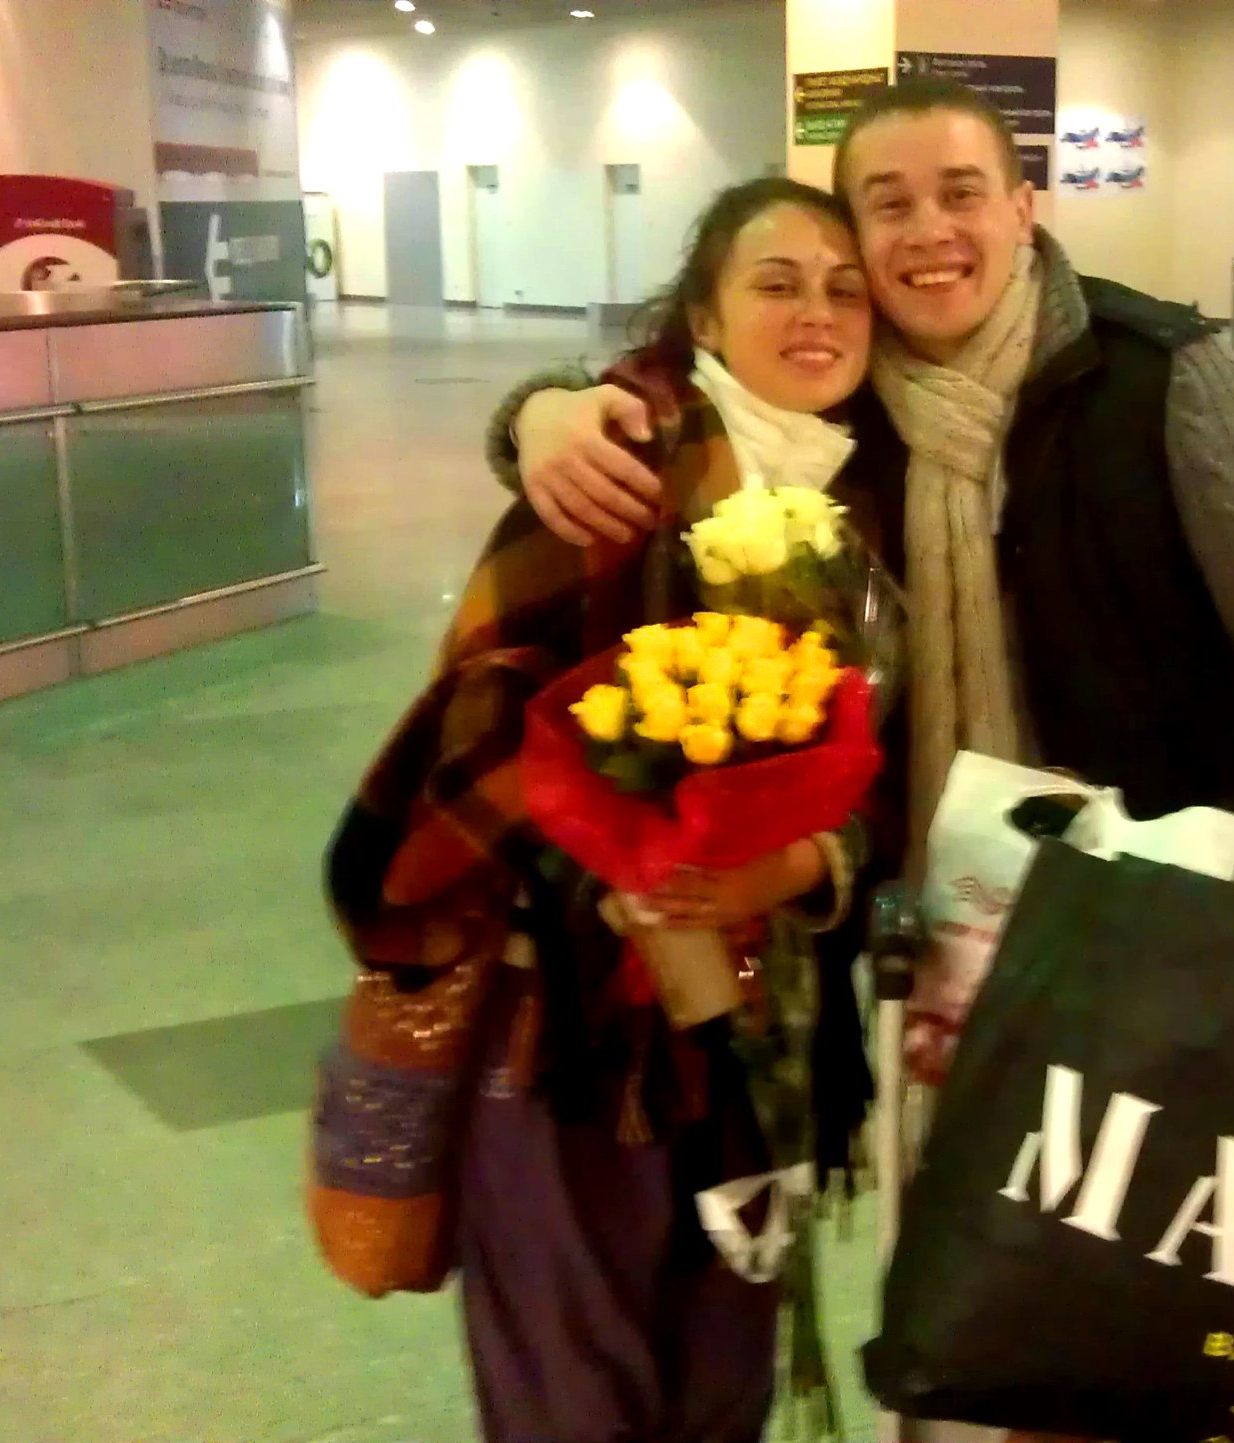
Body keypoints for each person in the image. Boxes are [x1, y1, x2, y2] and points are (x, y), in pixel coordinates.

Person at [493, 78, 1234, 894]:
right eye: (890, 205)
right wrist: (543, 410)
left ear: (1021, 210)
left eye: (961, 194)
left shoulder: (1159, 376)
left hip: (1162, 895)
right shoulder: (843, 400)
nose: (929, 231)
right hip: (933, 912)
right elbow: (680, 397)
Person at [327, 177, 900, 1443]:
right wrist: (627, 864)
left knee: (721, 1370)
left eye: (843, 289)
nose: (816, 312)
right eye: (776, 283)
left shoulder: (857, 493)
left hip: (765, 1021)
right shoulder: (625, 460)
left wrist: (791, 865)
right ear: (702, 313)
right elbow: (481, 728)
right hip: (578, 1025)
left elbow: (884, 770)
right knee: (573, 1380)